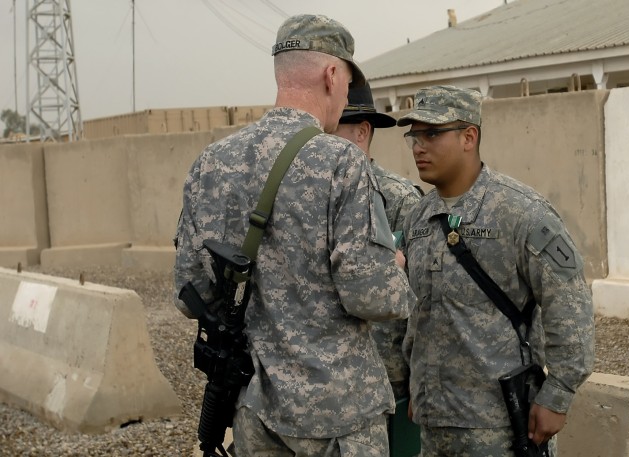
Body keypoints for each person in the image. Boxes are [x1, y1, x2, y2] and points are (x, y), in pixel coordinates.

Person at [173, 13, 416, 457]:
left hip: (254, 411)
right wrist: (394, 270)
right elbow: (376, 298)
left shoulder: (210, 164)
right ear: (331, 75)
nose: (345, 97)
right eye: (347, 84)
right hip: (337, 419)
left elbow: (191, 292)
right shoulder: (342, 163)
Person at [398, 85, 595, 456]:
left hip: (499, 426)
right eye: (414, 136)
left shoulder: (520, 212)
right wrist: (418, 387)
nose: (418, 147)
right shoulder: (419, 218)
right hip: (433, 422)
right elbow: (417, 315)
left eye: (433, 134)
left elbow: (570, 304)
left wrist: (559, 393)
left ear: (469, 136)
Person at [334, 81, 424, 401]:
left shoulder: (399, 199)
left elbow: (422, 298)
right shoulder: (317, 197)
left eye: (331, 132)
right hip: (335, 373)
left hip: (389, 376)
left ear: (361, 133)